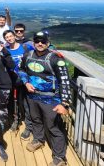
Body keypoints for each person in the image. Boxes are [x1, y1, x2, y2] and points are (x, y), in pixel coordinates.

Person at [19, 32, 71, 166]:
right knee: (36, 120)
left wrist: (64, 104)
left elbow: (65, 81)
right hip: (32, 95)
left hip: (51, 99)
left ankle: (59, 157)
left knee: (53, 126)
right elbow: (22, 70)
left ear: (48, 42)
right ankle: (38, 140)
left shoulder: (55, 59)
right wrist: (26, 82)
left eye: (43, 41)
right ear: (33, 42)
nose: (40, 44)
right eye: (37, 41)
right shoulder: (27, 55)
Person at [3, 29, 34, 140]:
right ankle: (16, 121)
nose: (9, 38)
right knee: (13, 102)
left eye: (10, 36)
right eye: (7, 37)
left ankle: (28, 126)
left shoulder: (25, 47)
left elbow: (39, 52)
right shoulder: (5, 50)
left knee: (26, 103)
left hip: (25, 80)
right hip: (11, 80)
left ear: (15, 36)